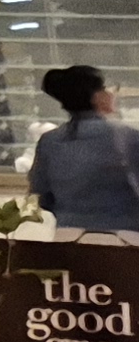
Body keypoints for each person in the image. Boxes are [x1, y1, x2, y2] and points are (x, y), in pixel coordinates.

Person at [31, 64, 139, 240]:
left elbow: (43, 196)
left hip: (67, 240)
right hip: (127, 241)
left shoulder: (49, 141)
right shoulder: (130, 138)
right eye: (107, 89)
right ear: (97, 96)